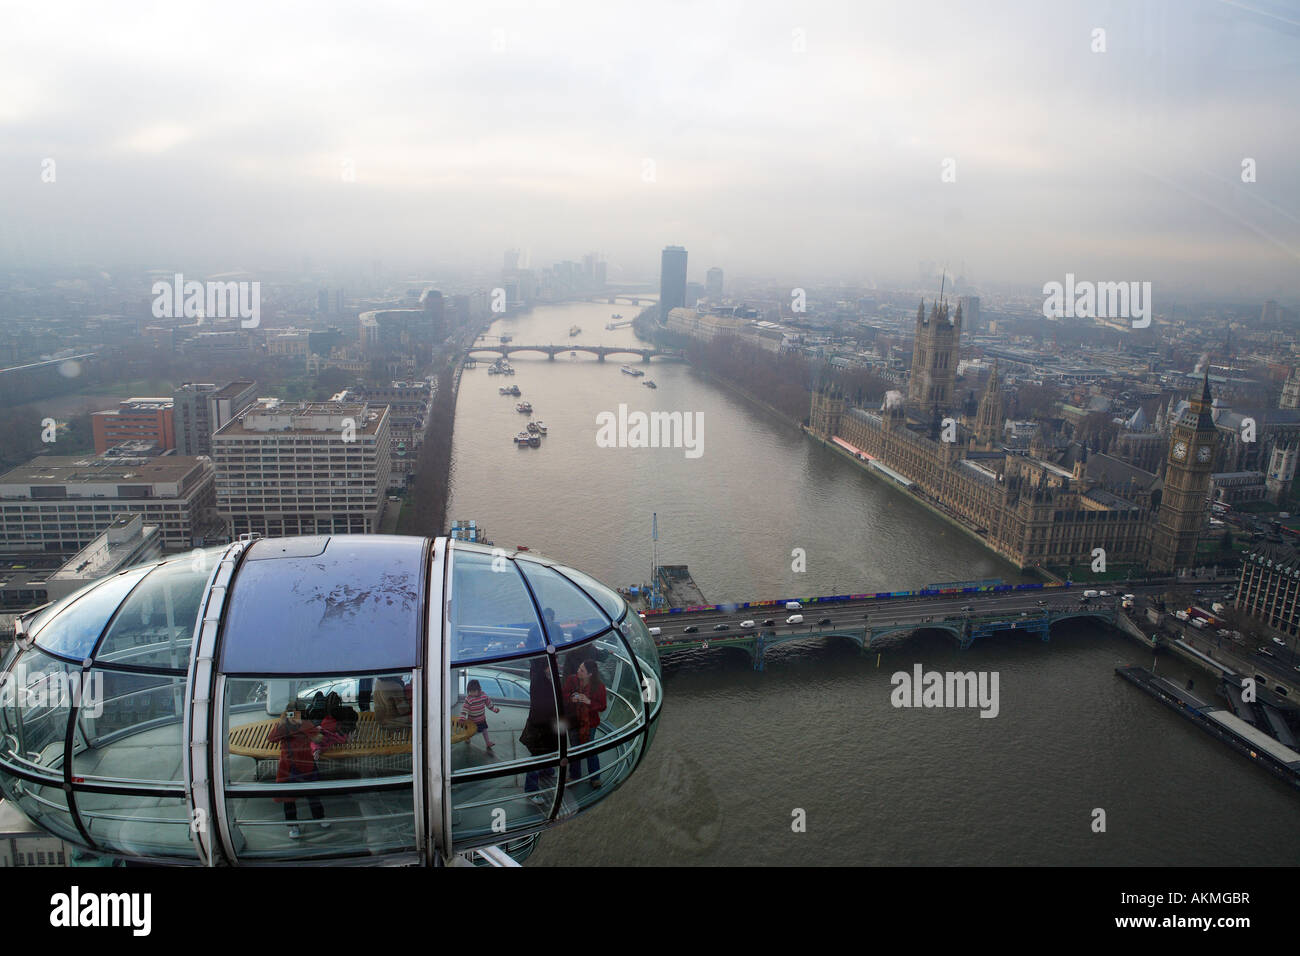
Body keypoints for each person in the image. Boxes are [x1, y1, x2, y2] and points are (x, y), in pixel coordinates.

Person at [267, 701, 328, 838]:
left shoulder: (305, 724)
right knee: (289, 798)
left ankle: (319, 817)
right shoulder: (283, 726)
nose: (294, 717)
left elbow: (318, 738)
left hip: (305, 763)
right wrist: (282, 724)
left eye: (297, 714)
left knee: (313, 794)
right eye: (291, 714)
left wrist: (307, 728)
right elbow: (271, 739)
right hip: (289, 766)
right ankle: (293, 825)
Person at [561, 658, 607, 788]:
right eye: (579, 668)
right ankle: (575, 776)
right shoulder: (572, 679)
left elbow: (603, 706)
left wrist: (588, 702)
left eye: (582, 670)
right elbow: (564, 694)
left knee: (589, 749)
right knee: (575, 748)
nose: (578, 671)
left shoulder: (599, 687)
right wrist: (572, 698)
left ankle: (595, 777)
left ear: (590, 674)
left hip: (589, 723)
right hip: (573, 720)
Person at [520, 657, 559, 805]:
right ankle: (531, 790)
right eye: (553, 661)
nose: (556, 664)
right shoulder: (541, 681)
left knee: (543, 752)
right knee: (537, 756)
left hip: (542, 724)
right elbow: (545, 705)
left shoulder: (539, 676)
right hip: (541, 726)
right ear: (545, 665)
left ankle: (546, 770)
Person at [461, 679, 500, 750]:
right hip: (472, 720)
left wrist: (494, 710)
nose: (471, 693)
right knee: (470, 731)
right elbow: (464, 709)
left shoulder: (483, 696)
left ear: (479, 690)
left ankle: (487, 742)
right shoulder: (468, 699)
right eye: (470, 691)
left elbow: (489, 704)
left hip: (481, 719)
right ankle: (467, 738)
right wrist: (462, 718)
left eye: (473, 691)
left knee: (484, 730)